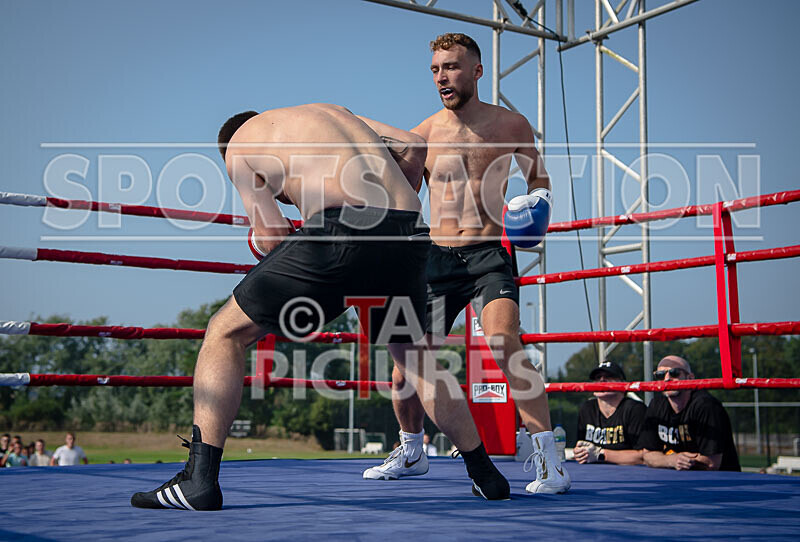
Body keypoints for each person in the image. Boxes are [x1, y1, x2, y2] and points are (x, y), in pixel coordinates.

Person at [131, 103, 511, 511]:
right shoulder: (331, 112)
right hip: (408, 230)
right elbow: (413, 147)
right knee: (416, 358)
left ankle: (199, 479)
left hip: (339, 230)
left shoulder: (238, 146)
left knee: (224, 332)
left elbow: (271, 236)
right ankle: (485, 474)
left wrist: (291, 247)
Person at [363, 33, 568, 494]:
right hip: (436, 259)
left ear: (477, 71)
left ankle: (550, 462)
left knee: (504, 342)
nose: (443, 77)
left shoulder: (511, 124)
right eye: (436, 69)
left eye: (452, 67)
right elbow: (404, 198)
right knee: (405, 364)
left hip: (489, 254)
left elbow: (539, 179)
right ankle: (411, 451)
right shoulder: (423, 134)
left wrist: (537, 203)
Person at [639, 355, 741, 471]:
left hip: (720, 479)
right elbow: (647, 455)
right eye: (660, 375)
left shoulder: (705, 406)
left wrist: (670, 459)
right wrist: (671, 460)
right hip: (677, 477)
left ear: (690, 377)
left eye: (674, 373)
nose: (667, 379)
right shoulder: (656, 405)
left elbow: (711, 463)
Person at [573, 361, 646, 465]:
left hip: (629, 471)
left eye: (609, 376)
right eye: (597, 378)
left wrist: (601, 454)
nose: (602, 380)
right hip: (592, 472)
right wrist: (580, 453)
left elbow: (644, 456)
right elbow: (581, 447)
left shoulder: (635, 409)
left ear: (622, 383)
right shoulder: (587, 409)